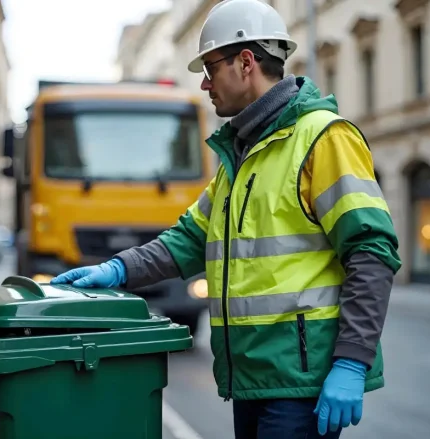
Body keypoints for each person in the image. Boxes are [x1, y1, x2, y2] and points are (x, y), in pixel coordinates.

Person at [50, 1, 401, 438]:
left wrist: (351, 361)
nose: (203, 83)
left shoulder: (323, 138)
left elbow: (371, 250)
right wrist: (117, 269)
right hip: (252, 381)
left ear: (246, 62)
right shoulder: (240, 156)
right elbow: (187, 240)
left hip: (301, 385)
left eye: (211, 68)